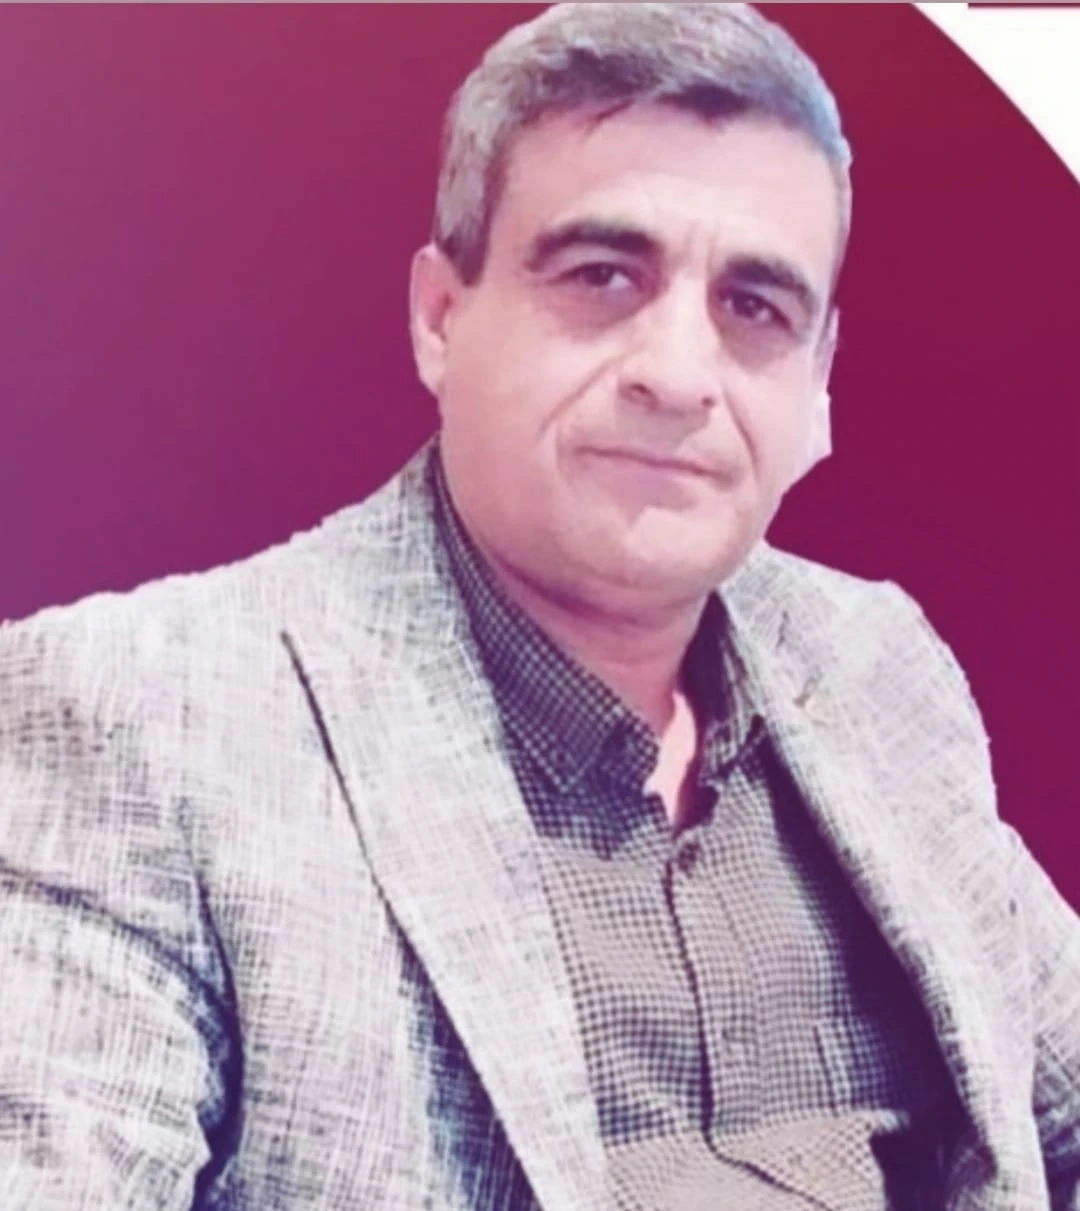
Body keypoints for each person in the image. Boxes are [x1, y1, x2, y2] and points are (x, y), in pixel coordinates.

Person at [0, 3, 1077, 1208]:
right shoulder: (145, 720)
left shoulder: (872, 664)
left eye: (754, 308)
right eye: (602, 276)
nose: (678, 374)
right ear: (440, 318)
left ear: (818, 380)